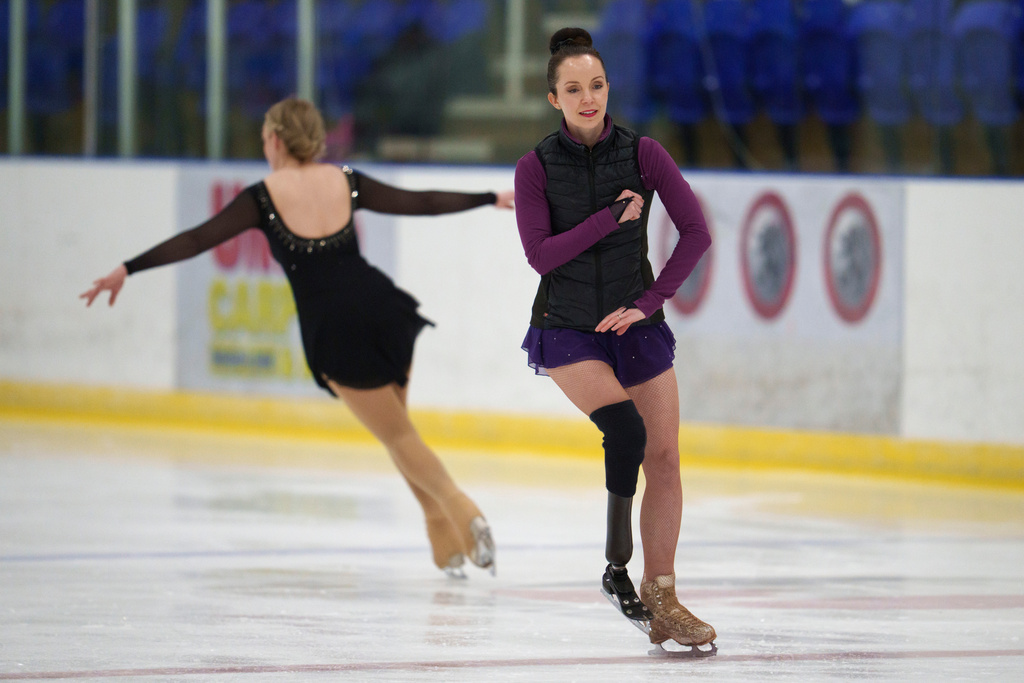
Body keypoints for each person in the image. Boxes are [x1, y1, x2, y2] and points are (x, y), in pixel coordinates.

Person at [81, 97, 514, 578]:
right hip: (383, 306)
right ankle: (443, 535)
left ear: (274, 140)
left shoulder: (263, 196)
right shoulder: (344, 179)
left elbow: (196, 239)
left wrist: (128, 268)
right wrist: (488, 197)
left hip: (336, 326)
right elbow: (422, 204)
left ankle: (462, 509)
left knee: (397, 435)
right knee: (400, 434)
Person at [513, 28, 716, 650]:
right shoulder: (536, 168)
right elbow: (540, 256)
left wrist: (648, 304)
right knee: (626, 431)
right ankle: (615, 567)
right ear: (554, 98)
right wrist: (611, 217)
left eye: (596, 85)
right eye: (573, 88)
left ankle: (664, 599)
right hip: (568, 328)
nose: (588, 97)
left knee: (666, 457)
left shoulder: (644, 154)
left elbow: (696, 232)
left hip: (636, 324)